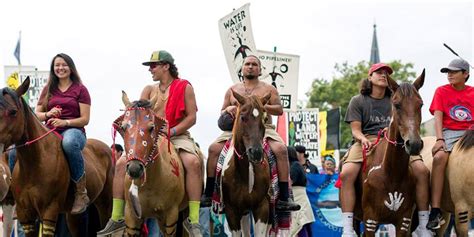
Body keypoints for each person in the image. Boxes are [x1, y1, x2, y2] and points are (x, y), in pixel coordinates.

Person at [98, 50, 203, 237]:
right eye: (150, 67)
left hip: (176, 135)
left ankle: (194, 220)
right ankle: (116, 218)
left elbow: (192, 117)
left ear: (166, 66)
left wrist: (172, 131)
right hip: (149, 136)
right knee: (122, 163)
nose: (150, 70)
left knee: (193, 163)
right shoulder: (148, 89)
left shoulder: (185, 87)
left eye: (153, 66)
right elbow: (139, 117)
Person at [339, 63, 432, 236]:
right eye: (379, 72)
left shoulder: (396, 98)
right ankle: (347, 228)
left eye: (386, 73)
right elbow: (355, 129)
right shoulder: (358, 101)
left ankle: (423, 226)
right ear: (370, 77)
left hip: (395, 141)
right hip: (367, 140)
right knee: (347, 173)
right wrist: (362, 139)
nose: (383, 75)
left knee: (422, 171)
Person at [201, 55, 300, 212]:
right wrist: (228, 109)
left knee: (281, 150)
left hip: (263, 128)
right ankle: (209, 193)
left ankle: (284, 197)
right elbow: (222, 111)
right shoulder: (233, 90)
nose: (251, 66)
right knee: (213, 149)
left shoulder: (269, 89)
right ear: (242, 68)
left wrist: (259, 107)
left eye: (254, 64)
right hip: (236, 129)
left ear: (260, 70)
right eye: (247, 64)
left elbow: (279, 109)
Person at [426, 58, 473, 230]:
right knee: (439, 158)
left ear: (466, 74)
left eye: (454, 71)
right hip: (450, 133)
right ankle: (436, 209)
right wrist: (440, 139)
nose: (449, 75)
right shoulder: (441, 91)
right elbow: (438, 117)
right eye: (448, 72)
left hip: (471, 133)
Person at [288, 146, 315, 237]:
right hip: (299, 198)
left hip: (298, 198)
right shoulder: (296, 165)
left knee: (299, 223)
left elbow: (290, 181)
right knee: (304, 223)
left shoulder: (295, 165)